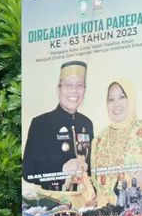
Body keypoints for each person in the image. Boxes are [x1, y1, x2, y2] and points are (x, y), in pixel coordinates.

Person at [90, 79, 142, 208]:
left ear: (131, 100)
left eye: (122, 97)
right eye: (111, 99)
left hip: (139, 213)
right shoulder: (98, 140)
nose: (116, 104)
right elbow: (95, 185)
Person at [22, 60, 94, 196]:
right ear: (58, 89)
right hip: (52, 201)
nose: (74, 90)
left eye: (80, 85)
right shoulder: (41, 123)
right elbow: (28, 172)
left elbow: (91, 166)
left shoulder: (87, 123)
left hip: (84, 200)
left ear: (84, 90)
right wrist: (61, 169)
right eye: (68, 85)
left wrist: (87, 168)